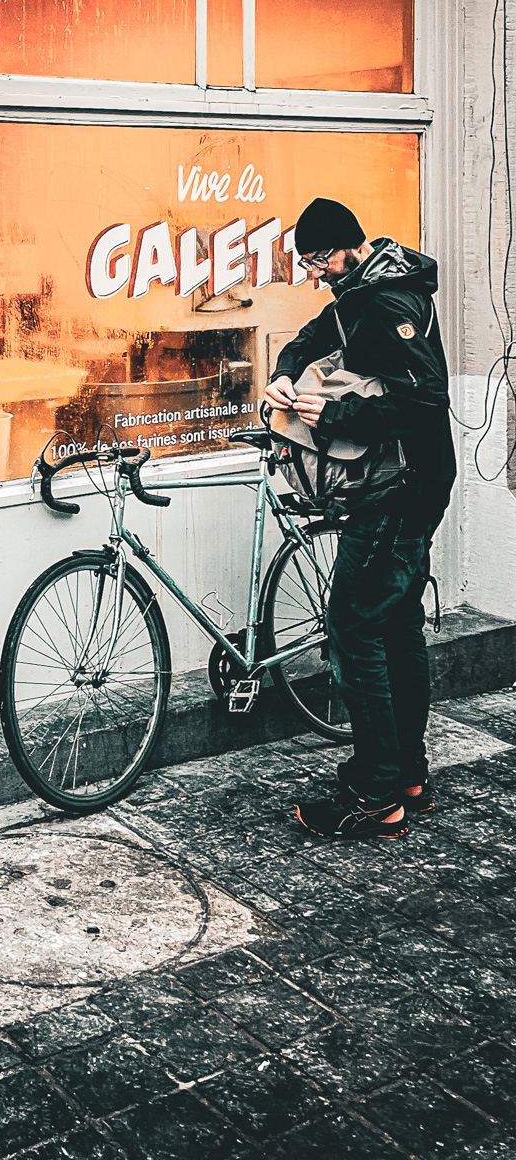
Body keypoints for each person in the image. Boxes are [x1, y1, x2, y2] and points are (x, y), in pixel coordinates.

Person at [263, 196, 456, 839]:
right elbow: (313, 336)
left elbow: (426, 396)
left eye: (319, 259)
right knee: (395, 625)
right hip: (401, 484)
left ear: (347, 245)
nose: (314, 273)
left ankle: (376, 792)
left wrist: (341, 417)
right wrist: (286, 376)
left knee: (352, 627)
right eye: (307, 263)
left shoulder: (387, 300)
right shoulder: (360, 291)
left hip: (401, 489)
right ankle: (407, 775)